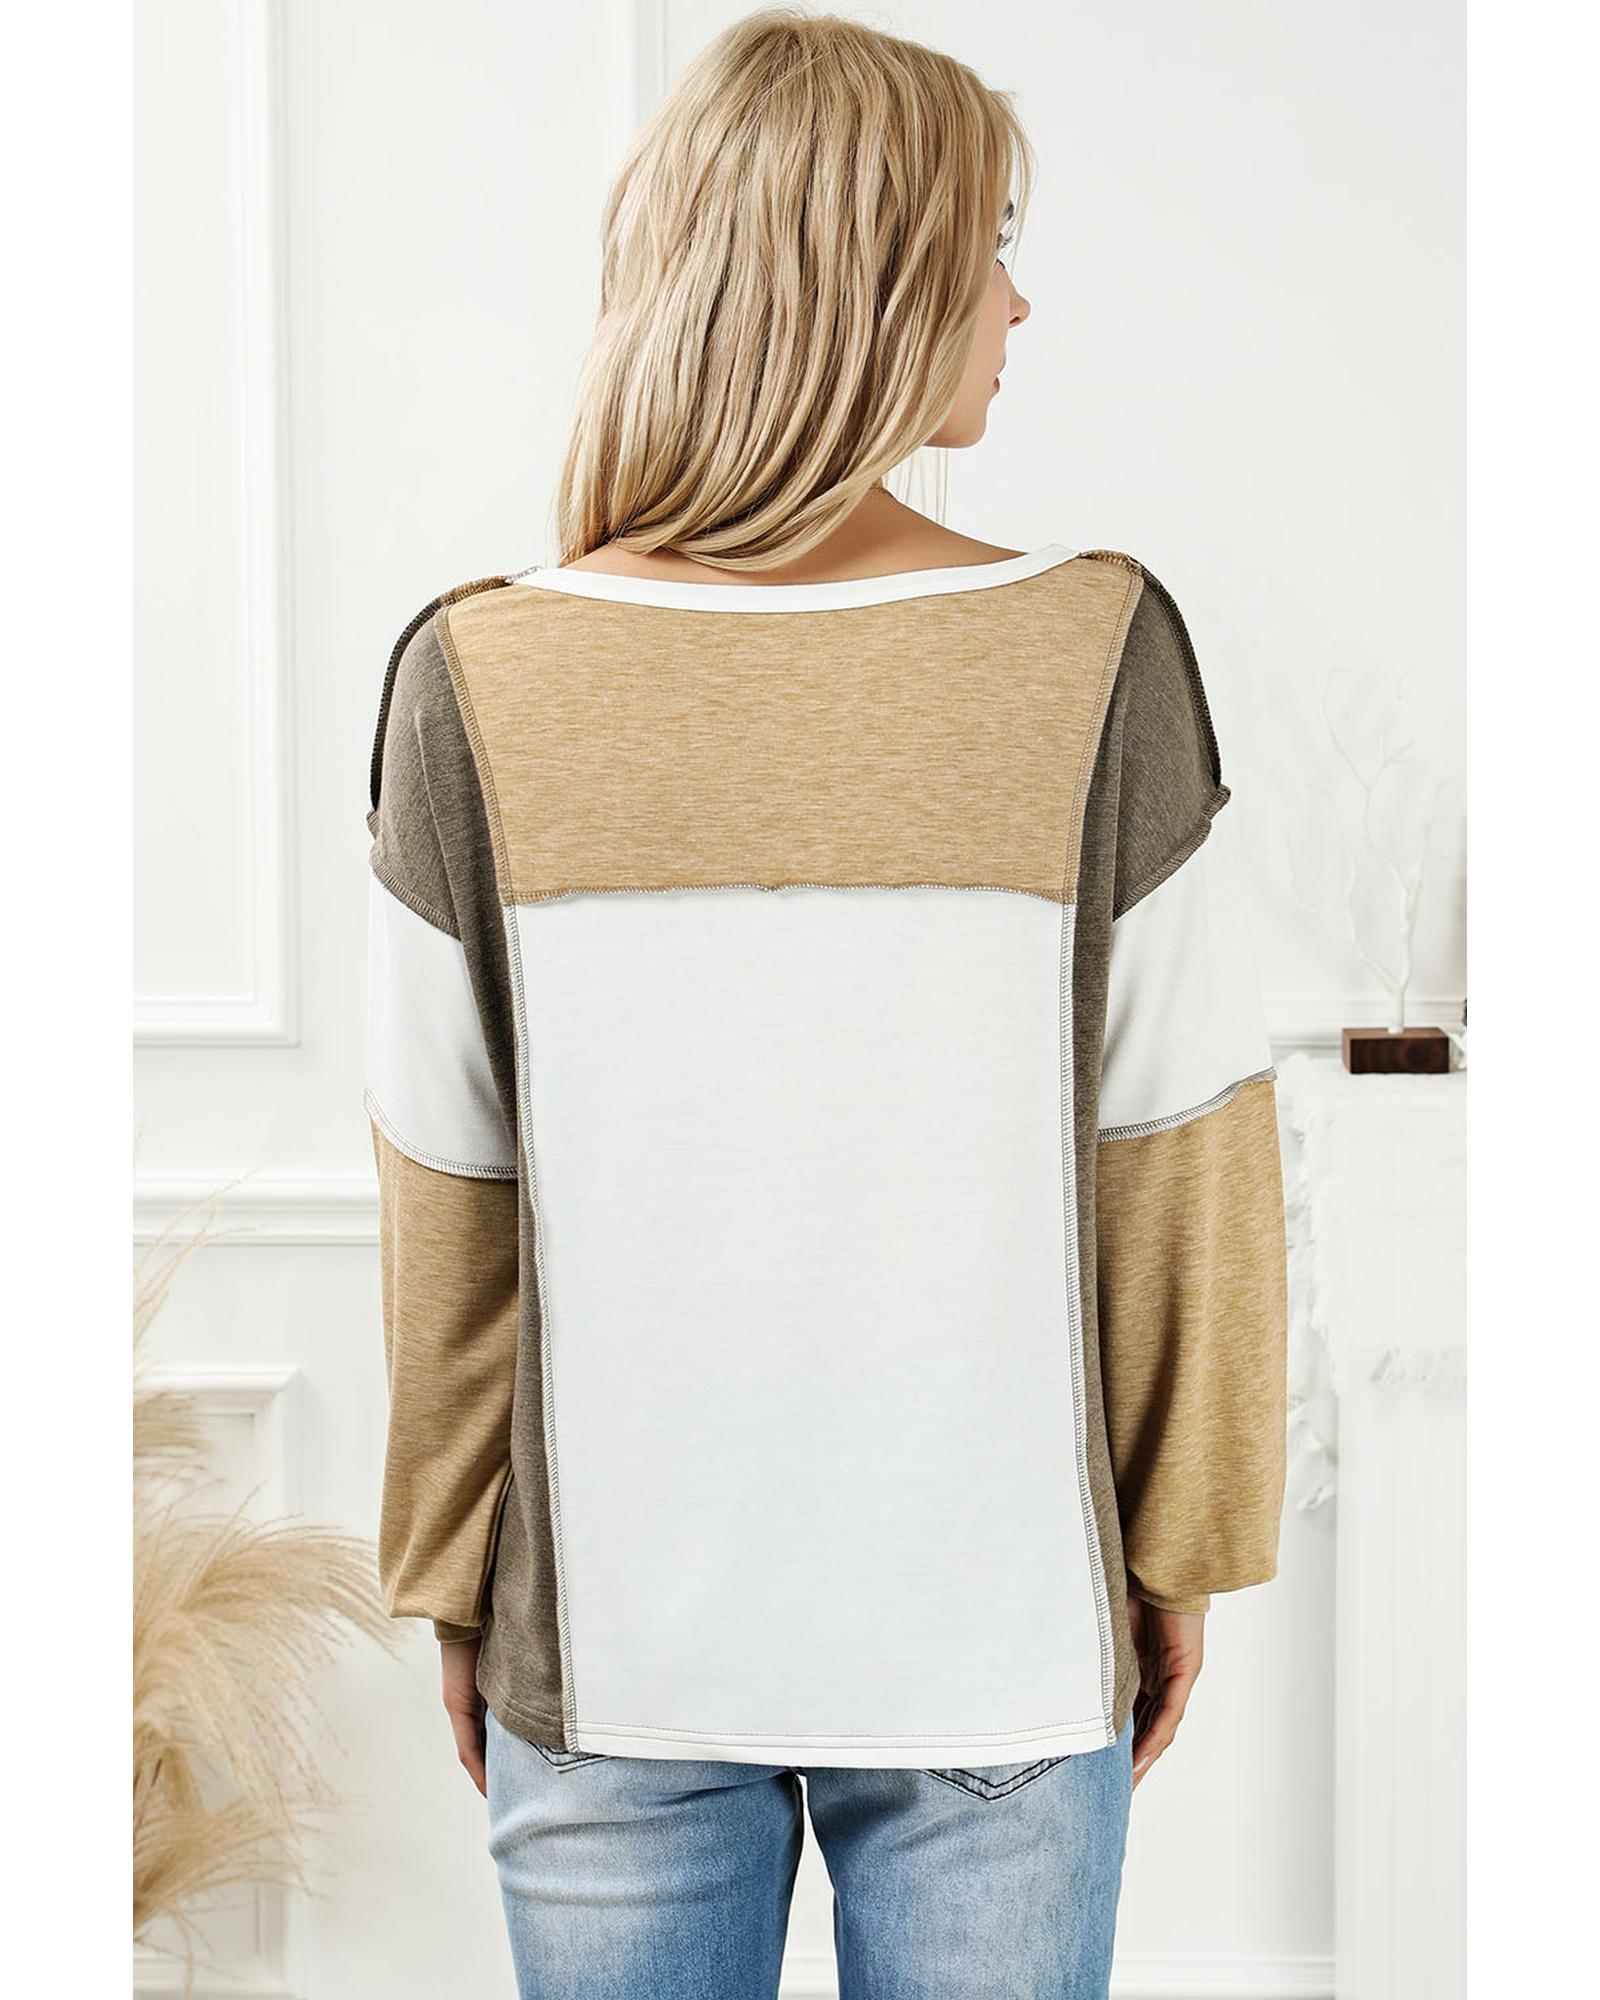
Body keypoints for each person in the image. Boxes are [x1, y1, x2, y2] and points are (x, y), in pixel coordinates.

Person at [363, 9, 1288, 1996]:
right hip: (995, 1642)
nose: (1019, 304)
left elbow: (451, 1195)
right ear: (870, 280)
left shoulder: (473, 673)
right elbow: (1180, 1159)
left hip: (608, 1652)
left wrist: (454, 1575)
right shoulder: (1097, 650)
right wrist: (1177, 1546)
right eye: (989, 248)